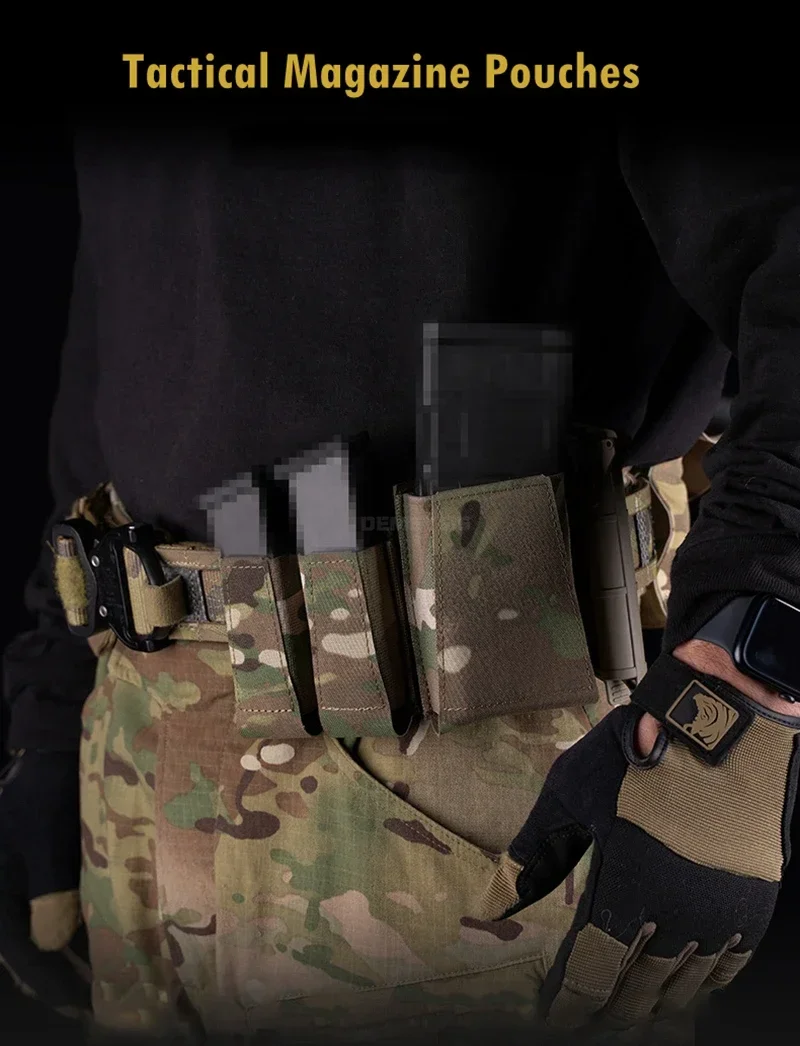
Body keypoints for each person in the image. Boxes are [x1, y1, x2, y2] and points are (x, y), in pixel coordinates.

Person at [2, 105, 800, 1043]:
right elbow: (137, 283)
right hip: (134, 752)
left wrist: (740, 701)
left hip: (455, 762)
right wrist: (54, 698)